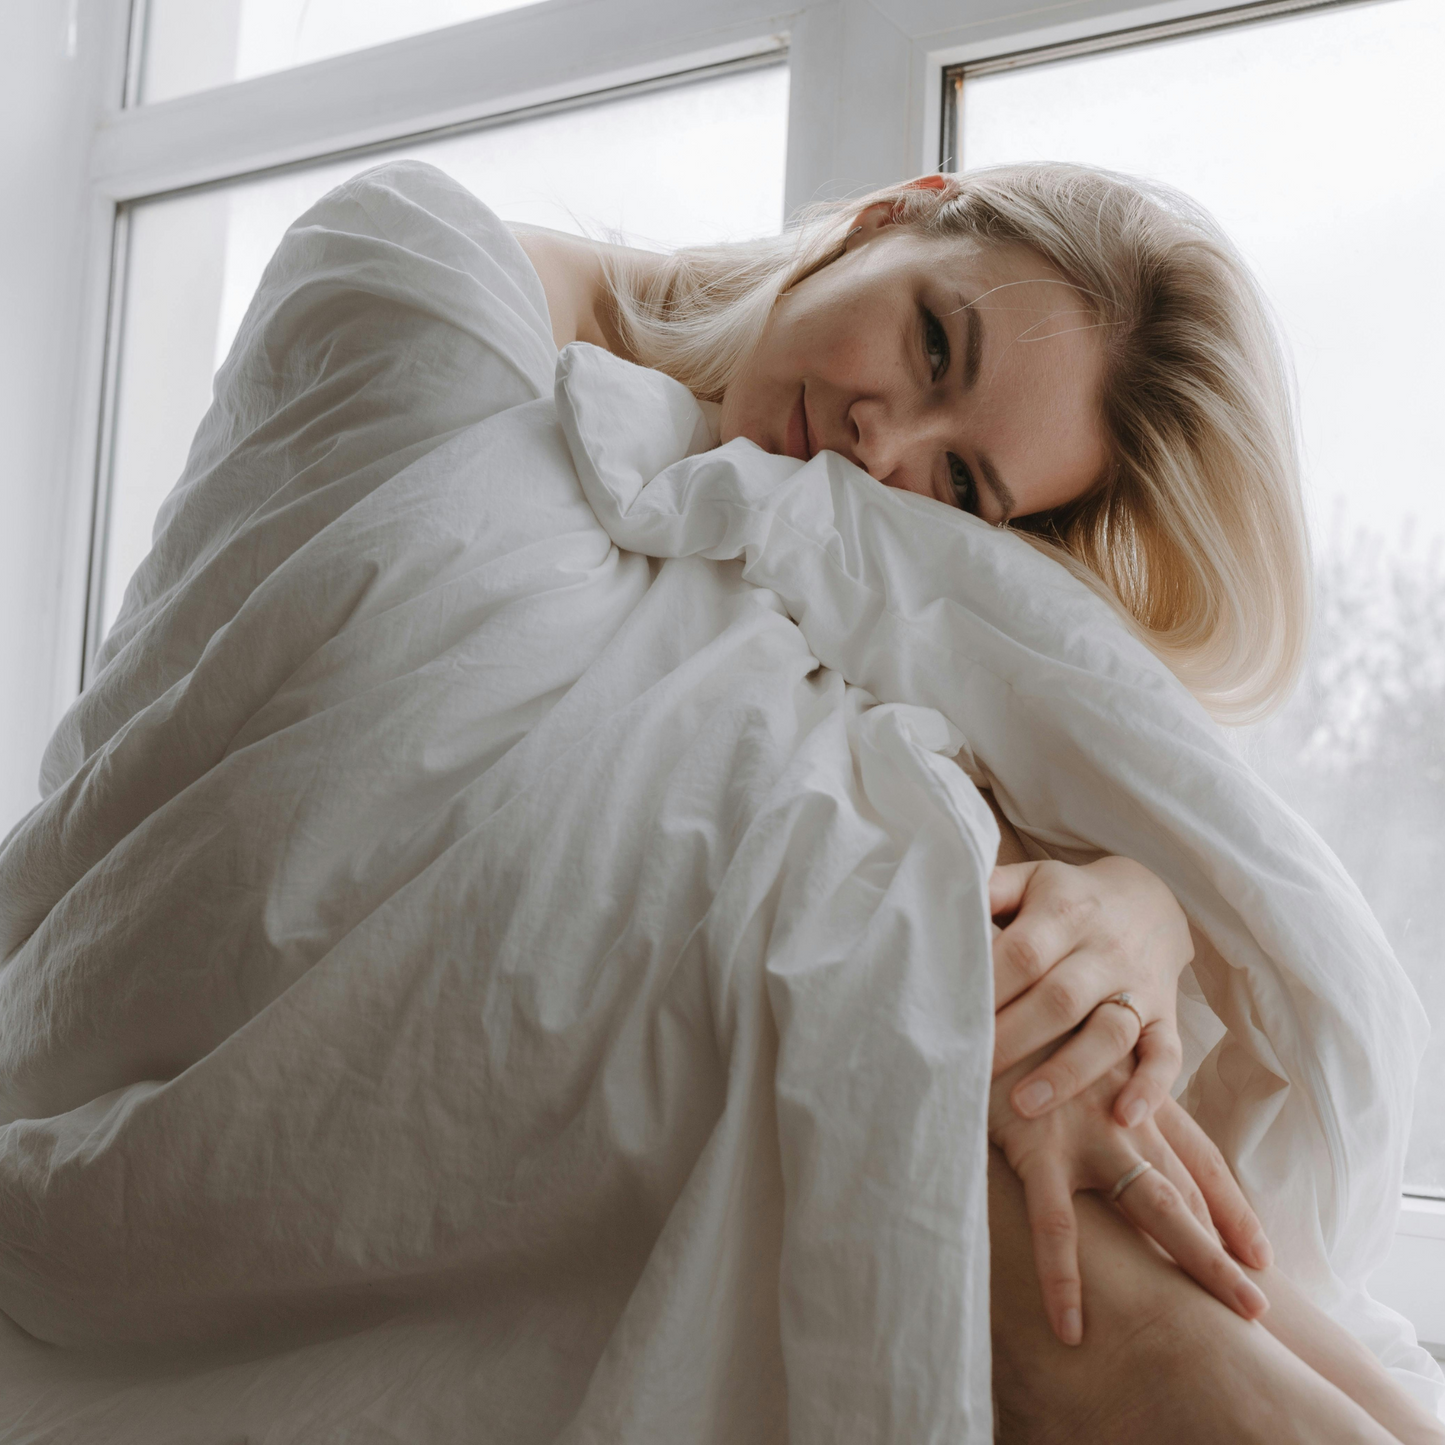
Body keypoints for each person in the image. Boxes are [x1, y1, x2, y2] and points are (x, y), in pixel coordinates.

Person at [510, 164, 1445, 1443]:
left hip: (1026, 1056)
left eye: (958, 490)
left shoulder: (871, 577)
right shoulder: (519, 334)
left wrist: (1143, 906)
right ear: (895, 207)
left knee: (1116, 1140)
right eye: (933, 340)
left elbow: (1000, 743)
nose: (876, 446)